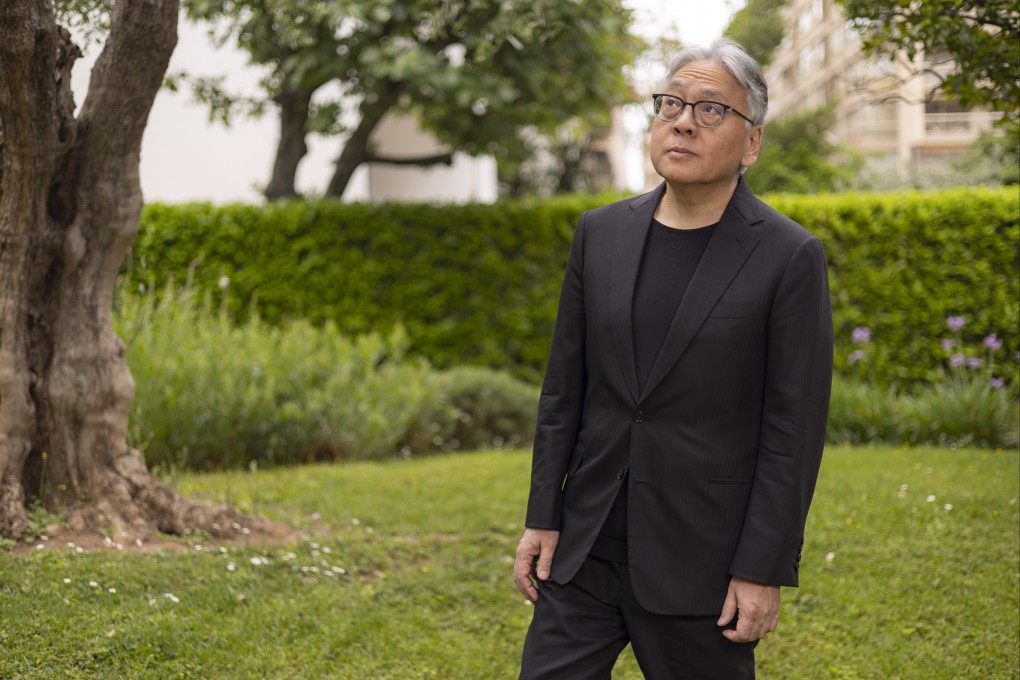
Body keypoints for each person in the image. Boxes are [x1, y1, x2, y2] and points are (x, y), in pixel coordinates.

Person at [513, 38, 833, 679]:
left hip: (703, 563)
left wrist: (761, 568)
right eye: (670, 105)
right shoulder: (598, 234)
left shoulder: (788, 257)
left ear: (752, 143)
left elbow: (793, 431)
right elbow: (563, 392)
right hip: (588, 545)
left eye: (711, 109)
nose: (683, 120)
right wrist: (543, 517)